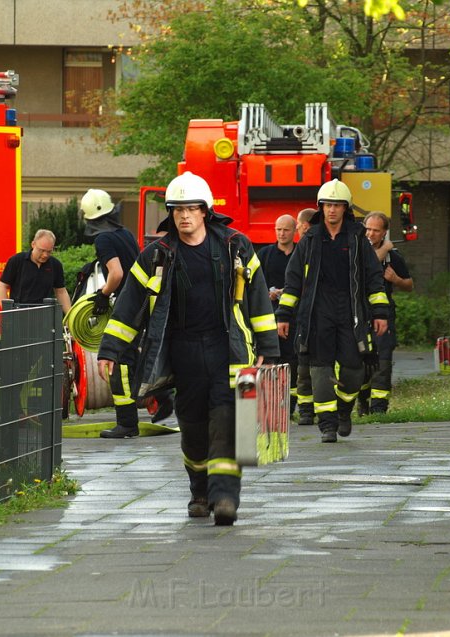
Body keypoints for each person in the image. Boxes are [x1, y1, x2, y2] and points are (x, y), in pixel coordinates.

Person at [96, 172, 279, 526]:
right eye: (177, 209)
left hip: (229, 351)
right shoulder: (156, 256)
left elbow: (258, 300)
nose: (184, 215)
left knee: (228, 423)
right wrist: (110, 349)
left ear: (205, 211)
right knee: (193, 428)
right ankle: (199, 490)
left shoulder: (235, 246)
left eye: (192, 208)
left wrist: (268, 349)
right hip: (183, 354)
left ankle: (225, 496)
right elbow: (129, 306)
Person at [276, 180, 388, 443]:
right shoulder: (310, 240)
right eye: (327, 205)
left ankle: (343, 410)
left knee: (353, 370)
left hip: (351, 313)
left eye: (337, 205)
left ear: (345, 208)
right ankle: (327, 425)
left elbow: (374, 277)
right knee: (319, 370)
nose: (332, 210)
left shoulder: (357, 239)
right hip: (317, 313)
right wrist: (284, 316)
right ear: (320, 207)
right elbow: (293, 281)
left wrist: (380, 312)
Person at [80, 189, 173, 438]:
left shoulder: (103, 239)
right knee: (136, 355)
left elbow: (117, 273)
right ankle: (162, 395)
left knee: (118, 360)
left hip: (127, 304)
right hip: (145, 301)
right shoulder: (125, 233)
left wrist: (102, 294)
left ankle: (127, 423)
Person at [358, 211, 413, 415]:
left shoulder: (393, 257)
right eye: (368, 229)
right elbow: (364, 270)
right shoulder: (354, 250)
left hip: (384, 315)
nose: (370, 234)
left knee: (382, 360)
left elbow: (409, 284)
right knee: (359, 361)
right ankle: (362, 403)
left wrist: (396, 280)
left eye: (376, 230)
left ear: (384, 233)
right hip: (358, 314)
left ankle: (379, 408)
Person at [256, 214, 298, 416]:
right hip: (269, 316)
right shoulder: (265, 254)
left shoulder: (300, 254)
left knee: (293, 361)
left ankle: (290, 407)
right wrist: (268, 293)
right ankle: (271, 405)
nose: (281, 233)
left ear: (294, 231)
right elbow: (254, 284)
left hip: (295, 317)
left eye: (286, 229)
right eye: (278, 229)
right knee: (272, 360)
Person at [0, 229, 71, 312]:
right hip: (19, 314)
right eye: (41, 250)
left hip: (45, 315)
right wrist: (8, 311)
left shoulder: (55, 265)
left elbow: (61, 292)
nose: (45, 255)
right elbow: (2, 286)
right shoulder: (17, 260)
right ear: (33, 244)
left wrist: (69, 316)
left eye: (49, 251)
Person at [293, 208, 316, 426]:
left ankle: (308, 411)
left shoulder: (306, 246)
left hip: (310, 317)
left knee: (305, 366)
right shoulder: (312, 245)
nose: (297, 229)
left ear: (306, 226)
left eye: (298, 225)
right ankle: (311, 410)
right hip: (312, 316)